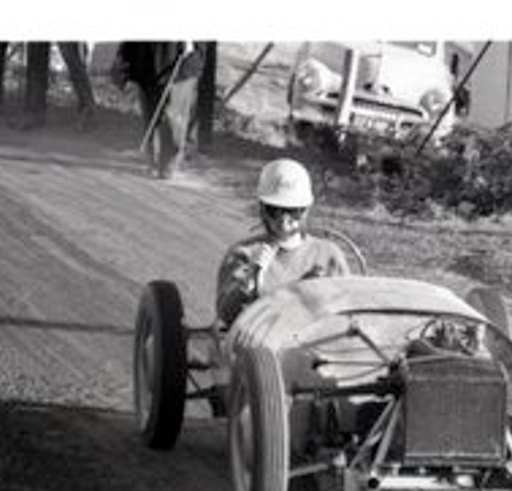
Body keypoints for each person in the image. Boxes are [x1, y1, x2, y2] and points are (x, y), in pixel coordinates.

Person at [215, 159, 351, 327]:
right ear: (263, 209)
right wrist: (250, 280)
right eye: (274, 210)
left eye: (292, 211)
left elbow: (350, 312)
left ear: (306, 209)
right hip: (259, 344)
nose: (283, 220)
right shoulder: (244, 254)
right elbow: (226, 316)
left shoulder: (328, 254)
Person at [115, 42, 204, 178]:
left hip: (178, 56)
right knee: (150, 108)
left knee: (173, 113)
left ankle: (168, 162)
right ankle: (154, 158)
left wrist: (192, 41)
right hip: (146, 53)